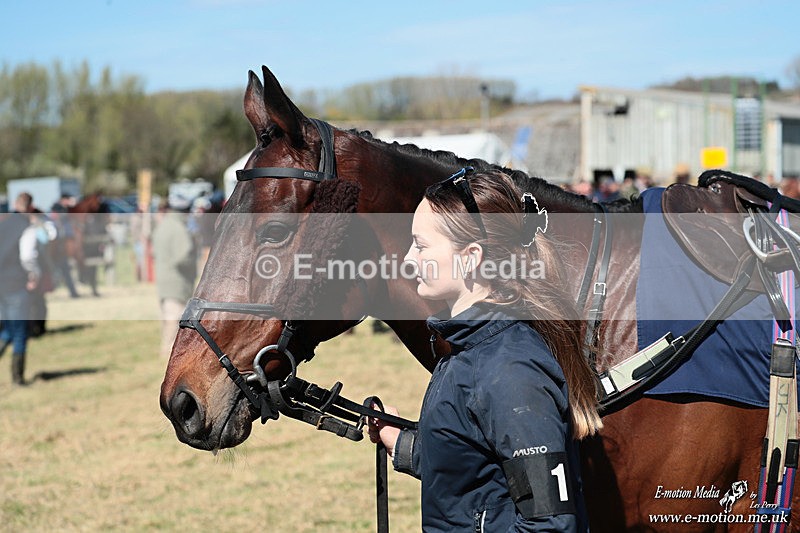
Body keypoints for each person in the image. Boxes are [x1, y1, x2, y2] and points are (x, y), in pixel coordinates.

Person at [369, 168, 601, 532]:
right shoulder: (467, 349)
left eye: (422, 245)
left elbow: (551, 525)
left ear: (470, 256)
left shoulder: (510, 370)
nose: (409, 260)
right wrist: (398, 442)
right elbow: (472, 469)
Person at [0, 192, 41, 385]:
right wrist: (34, 275)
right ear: (31, 207)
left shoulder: (4, 224)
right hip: (16, 284)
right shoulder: (27, 228)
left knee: (7, 331)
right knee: (19, 333)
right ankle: (18, 378)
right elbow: (27, 257)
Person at [151, 201, 196, 359]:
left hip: (163, 279)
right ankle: (169, 353)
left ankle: (166, 349)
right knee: (175, 319)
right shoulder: (179, 229)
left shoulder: (162, 226)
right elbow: (183, 257)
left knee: (167, 317)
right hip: (178, 281)